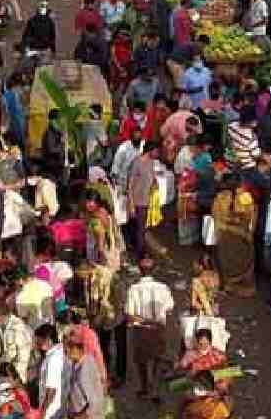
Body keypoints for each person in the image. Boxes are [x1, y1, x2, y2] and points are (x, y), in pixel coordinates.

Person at [126, 257, 174, 402]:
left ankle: (145, 387)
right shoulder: (163, 287)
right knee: (157, 359)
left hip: (141, 331)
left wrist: (143, 320)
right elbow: (170, 308)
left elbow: (130, 313)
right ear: (154, 270)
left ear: (140, 271)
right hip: (159, 329)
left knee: (141, 361)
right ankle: (155, 390)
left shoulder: (134, 289)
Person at [212, 181, 258, 297]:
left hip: (225, 237)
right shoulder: (246, 197)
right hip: (241, 238)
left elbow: (216, 217)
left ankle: (227, 284)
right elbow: (251, 219)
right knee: (242, 262)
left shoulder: (220, 198)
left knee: (226, 260)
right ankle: (240, 285)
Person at [127, 140, 159, 260]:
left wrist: (154, 182)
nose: (157, 154)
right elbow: (130, 184)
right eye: (156, 151)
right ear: (150, 150)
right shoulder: (136, 163)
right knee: (140, 228)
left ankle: (138, 248)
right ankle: (141, 254)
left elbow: (151, 176)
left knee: (142, 227)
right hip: (138, 201)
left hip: (147, 200)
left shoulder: (151, 162)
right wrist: (131, 203)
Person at [64, 335, 106, 419]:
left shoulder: (84, 369)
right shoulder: (78, 361)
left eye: (69, 349)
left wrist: (81, 416)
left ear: (77, 349)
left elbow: (93, 400)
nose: (66, 352)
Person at [35, 324, 67, 419]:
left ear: (47, 339)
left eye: (39, 341)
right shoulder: (59, 352)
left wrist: (43, 413)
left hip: (52, 410)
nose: (37, 344)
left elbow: (51, 389)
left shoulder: (53, 358)